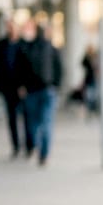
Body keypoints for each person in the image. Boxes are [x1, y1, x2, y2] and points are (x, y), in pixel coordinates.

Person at [15, 20, 62, 166]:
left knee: (33, 123)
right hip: (47, 89)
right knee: (46, 122)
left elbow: (20, 69)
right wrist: (56, 85)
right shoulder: (51, 48)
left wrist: (21, 86)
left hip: (32, 91)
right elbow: (59, 68)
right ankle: (44, 154)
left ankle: (36, 146)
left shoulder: (27, 48)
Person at [0, 19, 31, 157]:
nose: (10, 30)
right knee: (12, 117)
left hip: (22, 87)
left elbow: (28, 66)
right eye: (8, 27)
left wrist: (25, 85)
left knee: (26, 117)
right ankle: (15, 146)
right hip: (7, 87)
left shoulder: (24, 44)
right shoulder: (1, 44)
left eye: (12, 27)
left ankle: (29, 145)